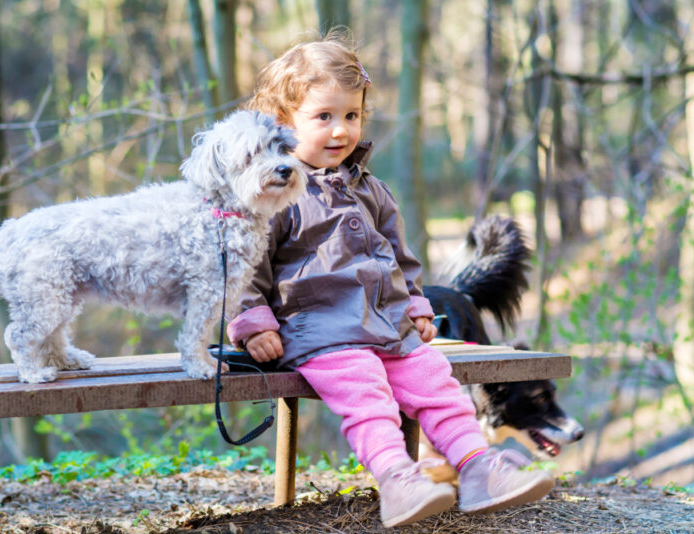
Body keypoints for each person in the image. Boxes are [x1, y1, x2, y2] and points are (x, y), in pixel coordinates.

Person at [226, 32, 554, 528]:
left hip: (387, 326)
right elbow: (244, 265)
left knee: (436, 383)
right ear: (282, 123)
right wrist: (253, 321)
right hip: (321, 332)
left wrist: (416, 305)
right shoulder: (275, 191)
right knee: (367, 396)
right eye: (324, 117)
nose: (340, 130)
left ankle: (479, 467)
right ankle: (398, 479)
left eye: (351, 116)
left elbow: (400, 259)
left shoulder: (371, 190)